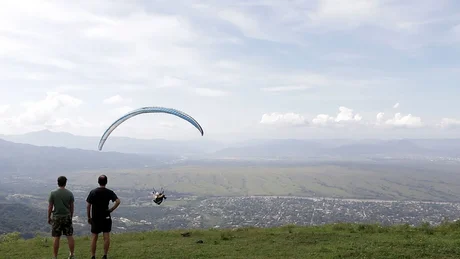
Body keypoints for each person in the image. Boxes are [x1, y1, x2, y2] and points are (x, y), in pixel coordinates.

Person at [86, 175, 121, 259]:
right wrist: (111, 209)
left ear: (98, 182)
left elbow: (88, 205)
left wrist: (89, 217)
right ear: (106, 182)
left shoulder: (93, 192)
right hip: (106, 216)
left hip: (95, 217)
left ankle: (93, 256)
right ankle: (105, 255)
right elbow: (118, 201)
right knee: (106, 236)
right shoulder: (109, 192)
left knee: (94, 237)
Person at [48, 176, 75, 259]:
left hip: (56, 217)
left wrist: (49, 217)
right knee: (69, 236)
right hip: (67, 216)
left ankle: (55, 257)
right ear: (65, 183)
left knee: (56, 237)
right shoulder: (70, 193)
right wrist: (70, 216)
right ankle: (71, 255)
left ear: (58, 182)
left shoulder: (53, 193)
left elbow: (50, 207)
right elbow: (72, 207)